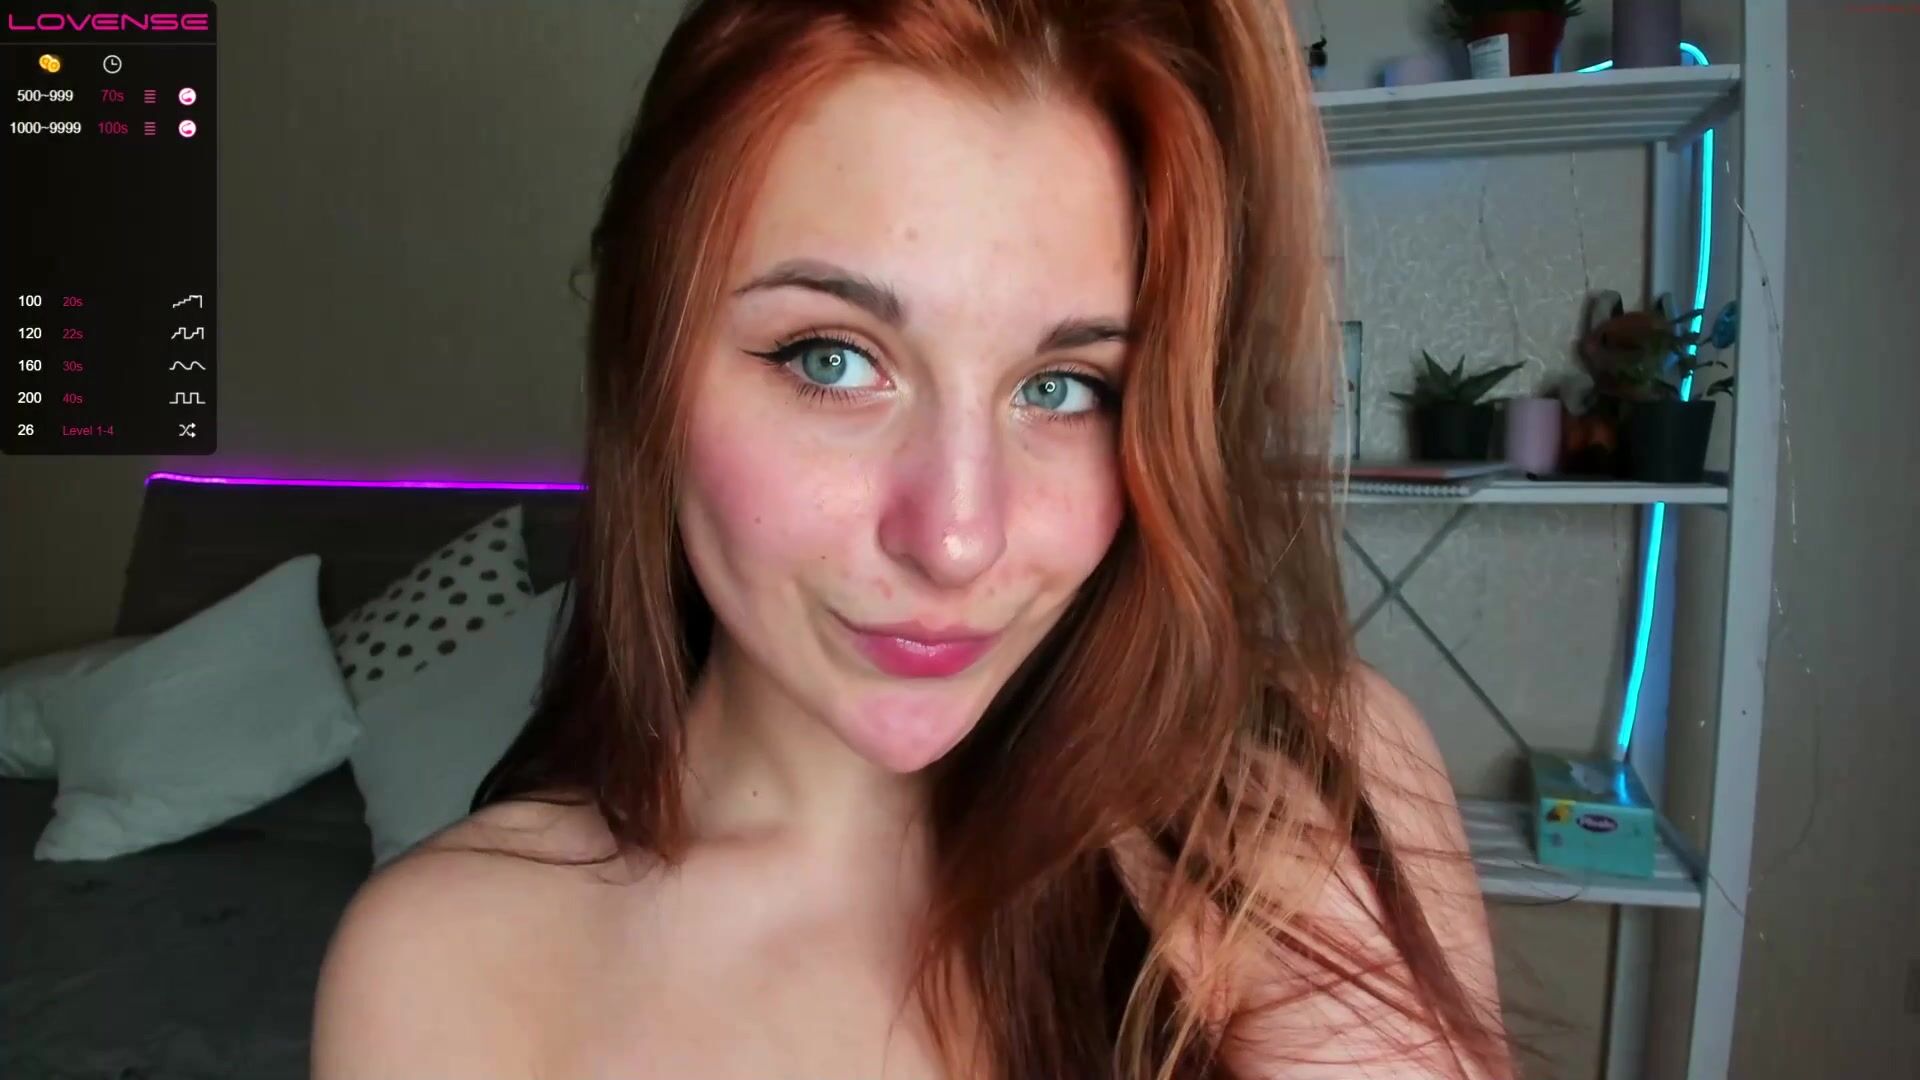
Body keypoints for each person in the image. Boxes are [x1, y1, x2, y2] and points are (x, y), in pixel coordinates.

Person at [312, 1, 1513, 1077]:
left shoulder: (1293, 797)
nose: (955, 538)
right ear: (647, 370)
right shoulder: (448, 964)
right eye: (833, 361)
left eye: (1063, 388)